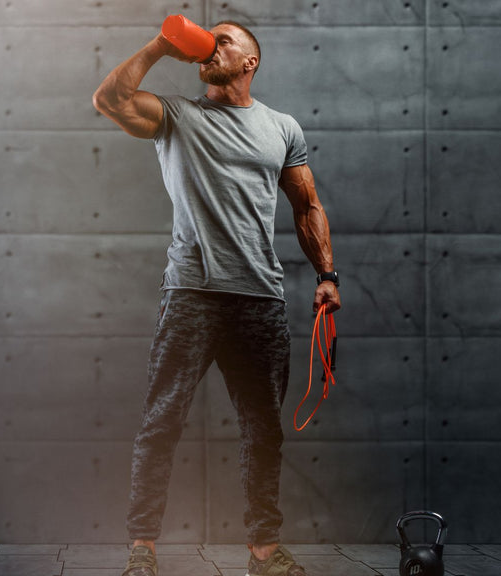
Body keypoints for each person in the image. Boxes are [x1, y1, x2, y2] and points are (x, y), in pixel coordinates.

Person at [92, 19, 342, 576]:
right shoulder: (177, 116)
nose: (214, 44)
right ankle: (142, 548)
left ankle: (263, 550)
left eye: (225, 40)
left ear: (250, 61)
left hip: (260, 297)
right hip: (191, 294)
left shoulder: (281, 127)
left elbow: (307, 206)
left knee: (263, 428)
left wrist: (328, 274)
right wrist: (163, 44)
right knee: (162, 420)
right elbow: (109, 99)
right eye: (213, 37)